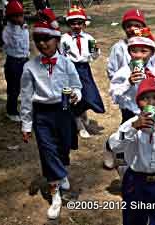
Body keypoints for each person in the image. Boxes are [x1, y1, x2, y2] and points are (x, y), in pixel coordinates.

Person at [20, 8, 82, 219]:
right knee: (47, 151)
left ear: (56, 40)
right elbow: (26, 97)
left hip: (64, 110)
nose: (42, 44)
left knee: (63, 146)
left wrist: (76, 95)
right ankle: (55, 193)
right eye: (38, 40)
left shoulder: (66, 63)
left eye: (47, 39)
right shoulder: (29, 67)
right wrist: (26, 124)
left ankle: (61, 169)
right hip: (42, 114)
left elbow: (77, 86)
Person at [108, 77, 155, 225]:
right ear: (138, 103)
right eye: (145, 98)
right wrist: (133, 128)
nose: (151, 102)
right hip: (135, 182)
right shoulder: (130, 124)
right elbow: (114, 144)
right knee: (134, 219)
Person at [105, 29, 155, 170]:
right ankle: (111, 148)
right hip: (131, 112)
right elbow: (114, 94)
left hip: (151, 112)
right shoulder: (124, 72)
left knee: (145, 141)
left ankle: (141, 165)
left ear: (152, 53)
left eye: (143, 51)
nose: (138, 55)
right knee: (127, 140)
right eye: (134, 51)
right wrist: (128, 83)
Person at [61, 5, 105, 138]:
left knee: (89, 94)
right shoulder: (64, 39)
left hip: (84, 69)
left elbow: (93, 57)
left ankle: (82, 113)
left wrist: (96, 50)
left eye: (79, 23)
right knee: (74, 96)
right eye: (73, 23)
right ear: (69, 24)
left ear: (84, 24)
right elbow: (62, 56)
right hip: (71, 69)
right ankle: (78, 124)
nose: (76, 26)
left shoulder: (89, 38)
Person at [106, 8, 155, 81]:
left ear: (143, 28)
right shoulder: (119, 47)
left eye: (137, 26)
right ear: (124, 28)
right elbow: (111, 71)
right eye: (129, 26)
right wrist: (126, 82)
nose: (133, 28)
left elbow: (153, 65)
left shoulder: (148, 46)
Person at [2, 0, 29, 122]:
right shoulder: (8, 31)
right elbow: (14, 43)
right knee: (14, 88)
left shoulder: (22, 26)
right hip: (13, 62)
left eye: (21, 15)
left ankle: (26, 107)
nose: (20, 18)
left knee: (26, 85)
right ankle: (11, 111)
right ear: (9, 18)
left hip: (24, 60)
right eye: (16, 16)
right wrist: (21, 27)